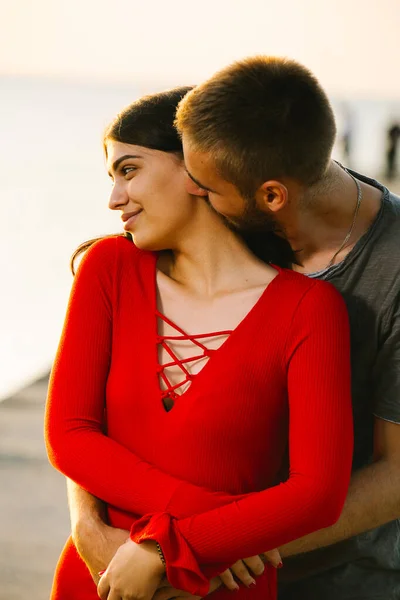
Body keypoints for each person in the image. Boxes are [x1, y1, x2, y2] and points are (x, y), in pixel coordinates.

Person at [71, 56, 400, 600]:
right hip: (133, 565)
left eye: (205, 183)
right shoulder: (152, 252)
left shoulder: (332, 295)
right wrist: (90, 523)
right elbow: (82, 422)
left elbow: (393, 476)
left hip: (333, 578)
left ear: (269, 195)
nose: (198, 190)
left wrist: (188, 550)